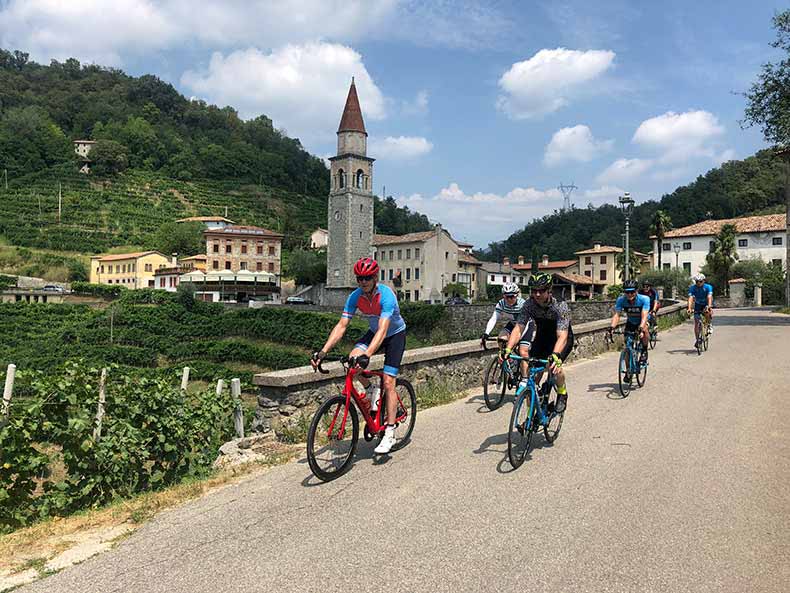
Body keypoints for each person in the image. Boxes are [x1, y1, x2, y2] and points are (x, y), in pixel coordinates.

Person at [310, 257, 406, 455]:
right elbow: (342, 325)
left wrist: (368, 354)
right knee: (351, 362)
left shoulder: (386, 295)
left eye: (367, 278)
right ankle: (371, 389)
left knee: (389, 382)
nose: (363, 282)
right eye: (359, 278)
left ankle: (389, 431)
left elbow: (383, 329)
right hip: (375, 332)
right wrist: (323, 351)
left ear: (375, 277)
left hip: (394, 334)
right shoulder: (355, 296)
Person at [501, 272, 573, 414]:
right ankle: (530, 417)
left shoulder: (560, 305)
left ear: (549, 290)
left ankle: (562, 392)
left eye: (541, 291)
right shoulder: (529, 304)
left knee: (555, 367)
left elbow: (562, 335)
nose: (537, 295)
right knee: (531, 380)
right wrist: (508, 349)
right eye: (534, 291)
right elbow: (519, 327)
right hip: (543, 337)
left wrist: (556, 354)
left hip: (562, 338)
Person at [609, 279, 650, 366]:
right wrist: (612, 327)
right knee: (628, 347)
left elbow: (644, 316)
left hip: (642, 320)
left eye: (632, 292)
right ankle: (628, 371)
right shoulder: (621, 300)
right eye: (627, 292)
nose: (629, 294)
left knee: (645, 329)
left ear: (636, 291)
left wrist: (641, 328)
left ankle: (644, 351)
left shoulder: (644, 299)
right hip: (631, 322)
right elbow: (617, 315)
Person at [480, 282, 526, 349]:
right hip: (513, 324)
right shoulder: (501, 304)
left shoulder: (522, 304)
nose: (509, 299)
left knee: (522, 350)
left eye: (512, 296)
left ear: (517, 295)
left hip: (525, 325)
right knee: (501, 340)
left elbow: (526, 323)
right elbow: (494, 318)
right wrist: (486, 333)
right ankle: (507, 358)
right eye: (507, 297)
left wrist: (519, 337)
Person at [687, 273, 714, 347]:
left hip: (706, 303)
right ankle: (697, 340)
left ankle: (708, 324)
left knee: (707, 312)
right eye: (697, 282)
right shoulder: (692, 288)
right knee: (696, 322)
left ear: (704, 281)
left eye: (700, 281)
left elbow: (709, 296)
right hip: (698, 304)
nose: (698, 283)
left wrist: (709, 306)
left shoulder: (708, 287)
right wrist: (689, 308)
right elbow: (690, 298)